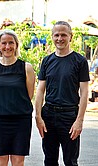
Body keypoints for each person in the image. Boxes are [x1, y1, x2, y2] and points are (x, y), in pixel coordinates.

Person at [35, 21, 90, 166]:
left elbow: (84, 92)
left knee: (70, 161)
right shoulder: (47, 61)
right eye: (56, 35)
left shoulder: (80, 61)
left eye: (63, 35)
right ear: (52, 37)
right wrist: (38, 116)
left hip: (69, 116)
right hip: (49, 115)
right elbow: (40, 90)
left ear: (70, 37)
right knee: (50, 160)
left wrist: (79, 120)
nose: (60, 38)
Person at [0, 29, 35, 166]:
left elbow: (29, 95)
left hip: (20, 120)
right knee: (0, 160)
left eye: (11, 43)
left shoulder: (26, 68)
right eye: (4, 43)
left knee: (18, 160)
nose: (7, 47)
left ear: (16, 45)